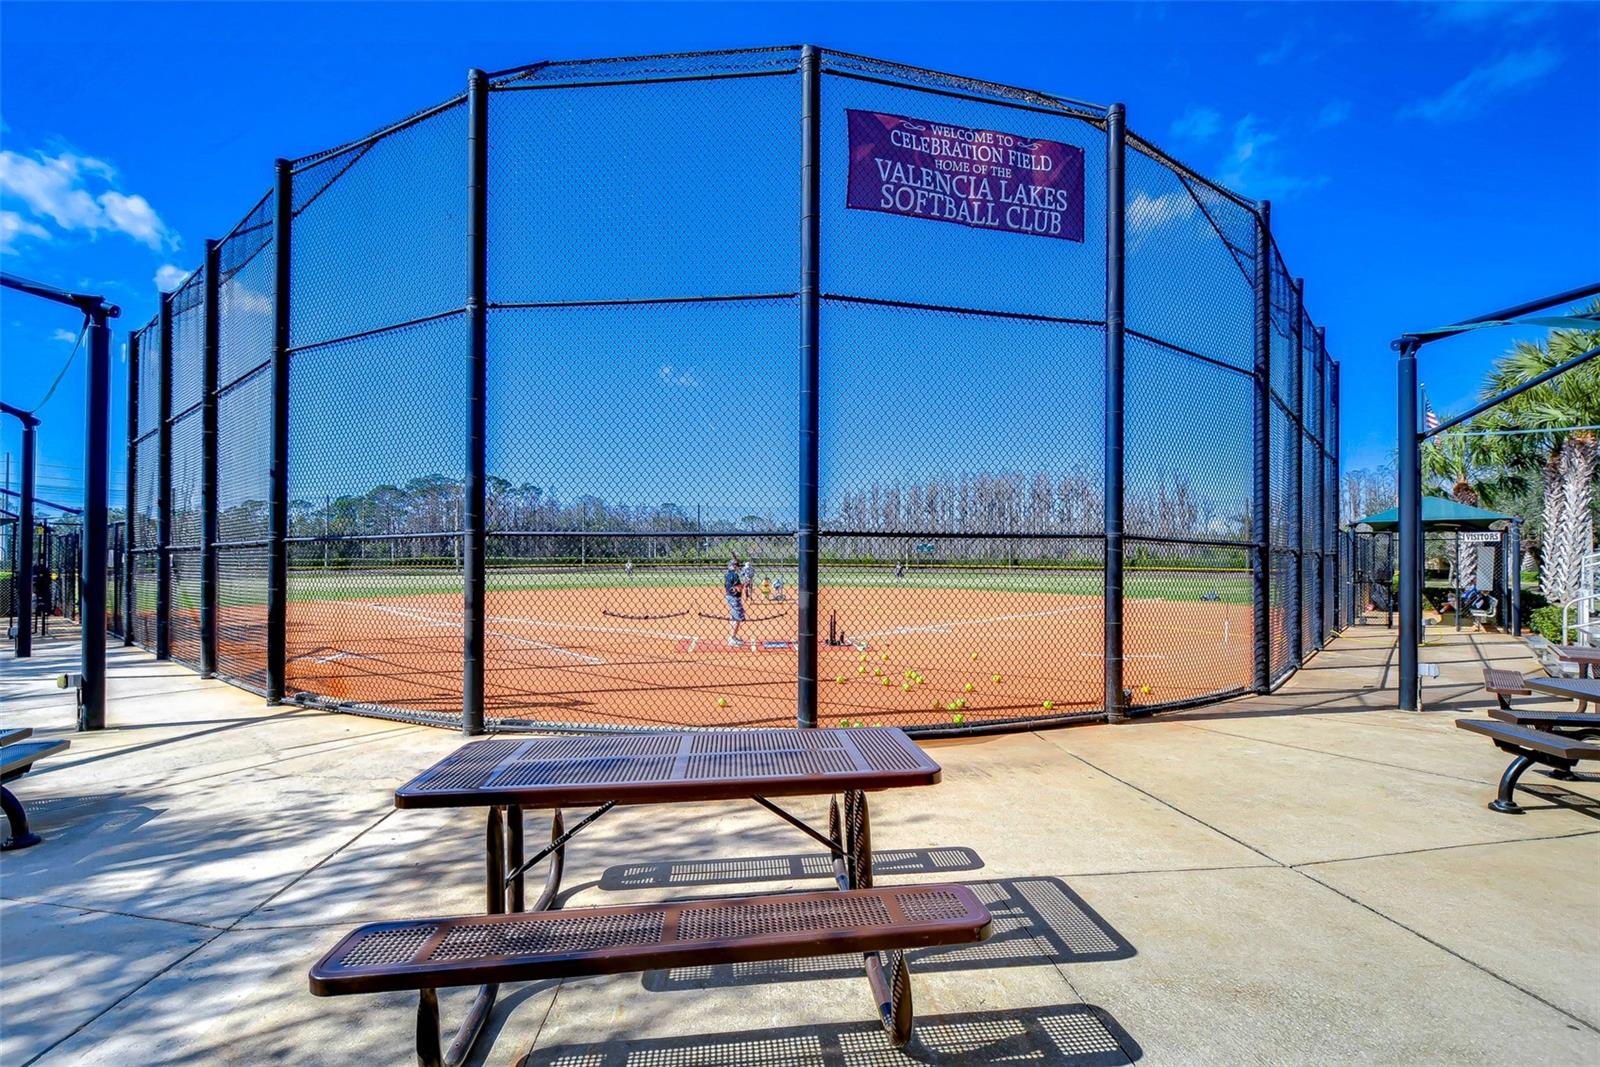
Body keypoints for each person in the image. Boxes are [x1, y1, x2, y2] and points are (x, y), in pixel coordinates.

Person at [724, 558, 745, 646]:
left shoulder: (728, 574)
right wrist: (744, 583)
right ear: (733, 566)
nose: (737, 567)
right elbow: (738, 588)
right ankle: (732, 638)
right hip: (734, 598)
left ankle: (732, 637)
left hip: (729, 596)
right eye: (736, 565)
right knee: (738, 617)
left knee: (733, 617)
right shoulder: (734, 575)